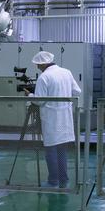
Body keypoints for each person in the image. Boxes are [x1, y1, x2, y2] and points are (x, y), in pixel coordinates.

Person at [31, 51, 82, 189]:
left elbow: (39, 101)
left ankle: (53, 181)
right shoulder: (66, 72)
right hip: (65, 118)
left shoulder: (44, 77)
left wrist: (30, 95)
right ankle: (63, 179)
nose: (37, 67)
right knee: (61, 150)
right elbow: (77, 91)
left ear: (43, 63)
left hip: (52, 119)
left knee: (51, 150)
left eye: (38, 65)